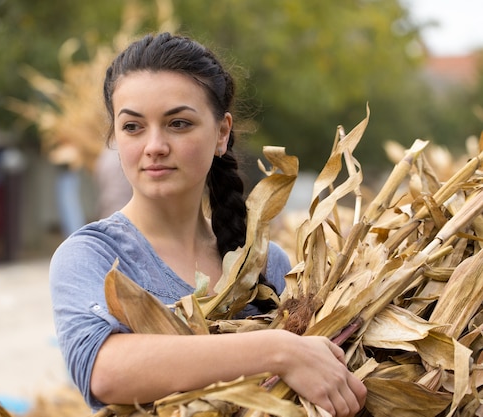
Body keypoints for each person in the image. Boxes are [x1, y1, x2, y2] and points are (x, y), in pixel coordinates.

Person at [49, 32, 366, 417]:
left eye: (178, 123)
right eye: (133, 127)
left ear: (221, 133)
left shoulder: (269, 263)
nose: (154, 146)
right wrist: (279, 351)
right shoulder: (91, 256)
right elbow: (103, 370)